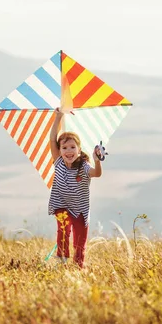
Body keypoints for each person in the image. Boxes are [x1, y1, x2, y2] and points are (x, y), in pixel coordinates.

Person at [48, 108, 103, 268]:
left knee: (80, 239)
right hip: (61, 204)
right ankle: (62, 262)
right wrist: (58, 117)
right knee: (63, 231)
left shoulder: (84, 167)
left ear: (79, 150)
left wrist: (97, 160)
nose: (69, 151)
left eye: (72, 147)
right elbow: (52, 139)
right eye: (64, 148)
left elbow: (97, 174)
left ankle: (79, 265)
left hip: (80, 208)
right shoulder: (58, 161)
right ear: (59, 151)